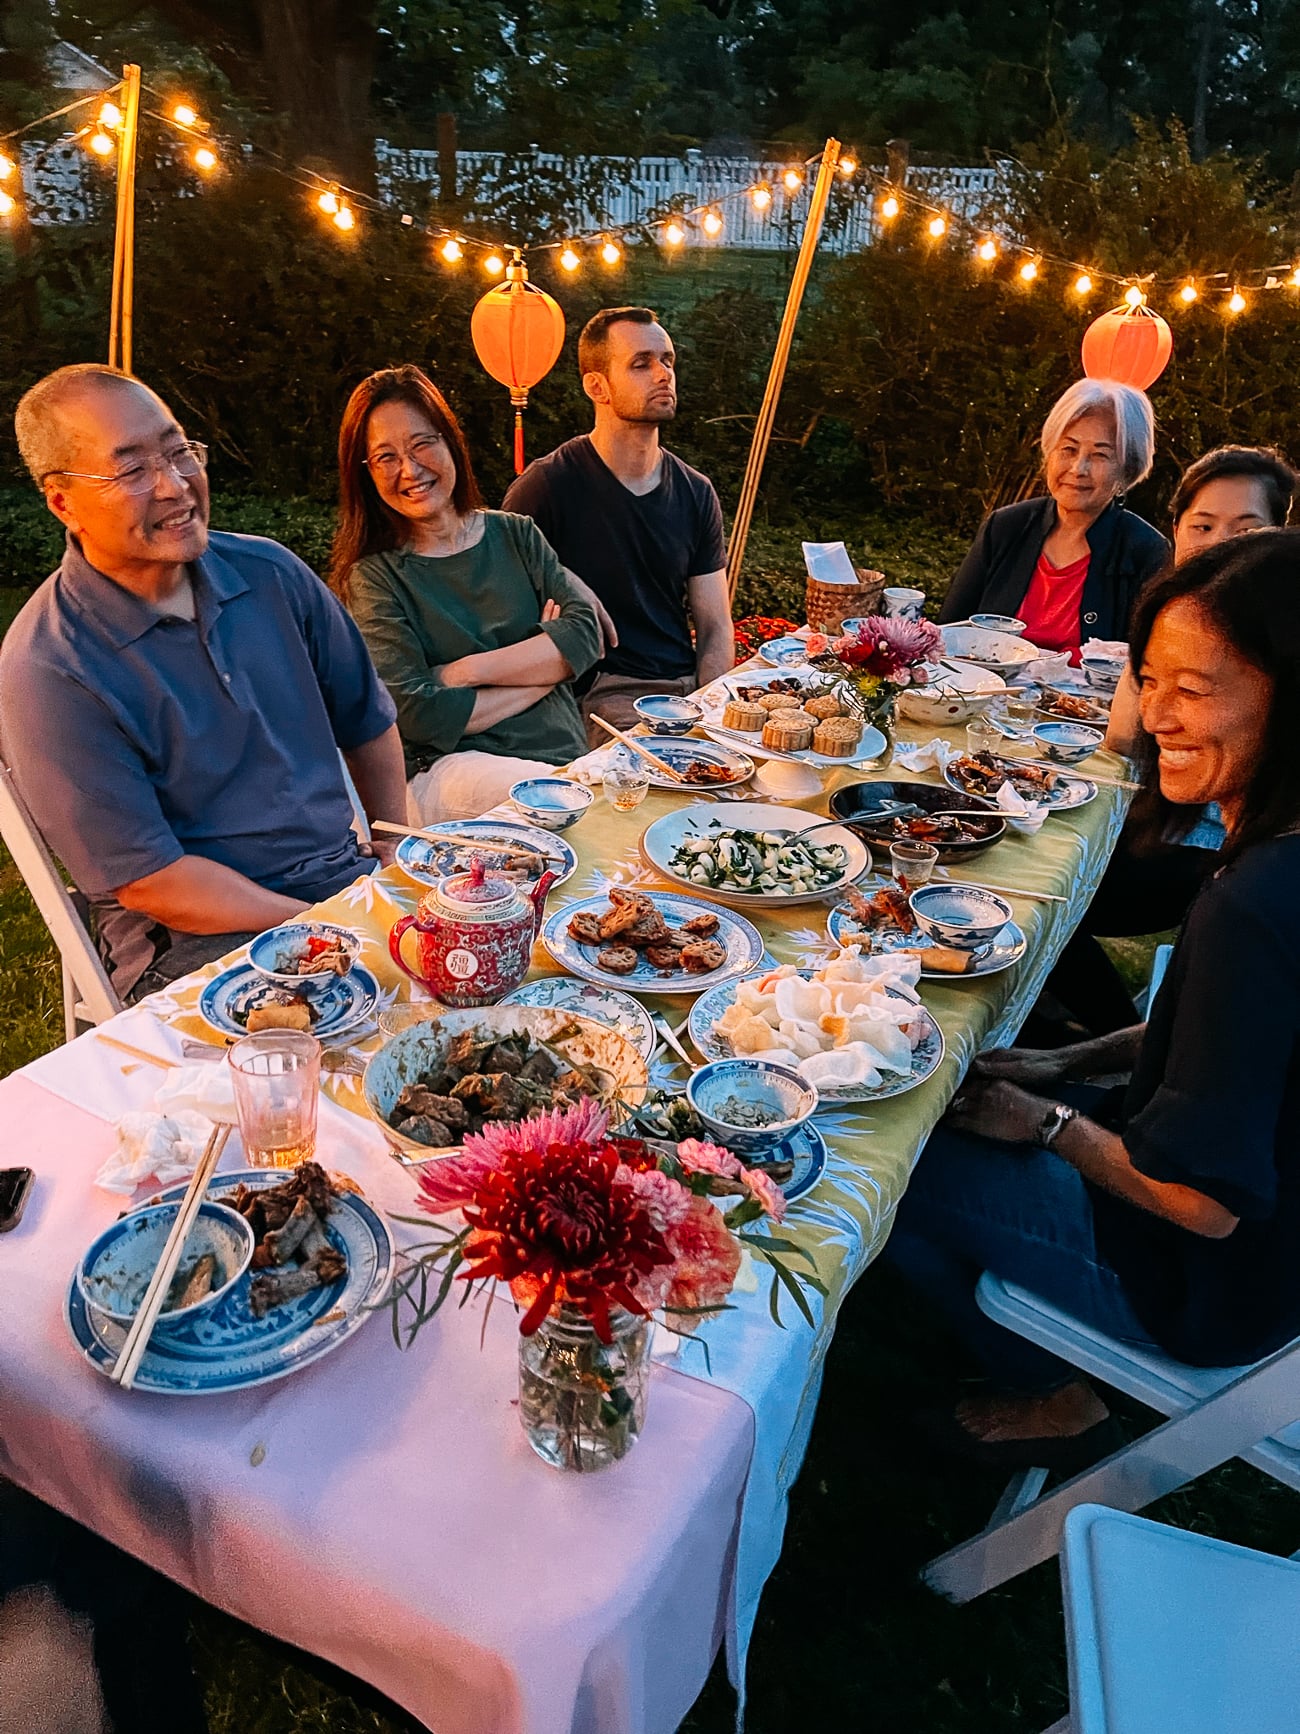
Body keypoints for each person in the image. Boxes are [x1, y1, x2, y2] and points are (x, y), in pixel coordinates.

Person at [888, 529, 1300, 1468]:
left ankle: (1052, 1392)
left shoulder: (1257, 907)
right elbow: (1231, 1046)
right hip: (1268, 1256)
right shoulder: (1278, 863)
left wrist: (1043, 1122)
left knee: (892, 1166)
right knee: (951, 1111)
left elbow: (1205, 1205)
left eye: (1193, 690)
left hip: (1204, 1285)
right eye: (1149, 680)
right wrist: (1064, 1061)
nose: (1157, 715)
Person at [1, 365, 406, 1003]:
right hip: (199, 943)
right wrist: (319, 927)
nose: (176, 485)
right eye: (132, 470)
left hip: (343, 883)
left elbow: (367, 720)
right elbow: (151, 882)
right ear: (63, 503)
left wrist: (389, 848)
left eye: (179, 450)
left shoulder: (271, 574)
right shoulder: (50, 667)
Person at [1047, 444, 1299, 1036]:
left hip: (1208, 850)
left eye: (1246, 528)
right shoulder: (1173, 617)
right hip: (1156, 824)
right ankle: (1075, 1032)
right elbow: (1124, 743)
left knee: (1053, 897)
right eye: (1203, 526)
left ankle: (1102, 1029)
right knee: (1039, 868)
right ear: (1176, 530)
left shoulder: (1275, 648)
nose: (1220, 544)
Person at [330, 367, 601, 822]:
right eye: (385, 457)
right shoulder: (375, 577)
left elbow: (585, 634)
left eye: (421, 443)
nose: (410, 469)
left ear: (449, 440)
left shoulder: (515, 534)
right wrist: (548, 663)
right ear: (366, 474)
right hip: (452, 771)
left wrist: (462, 671)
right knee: (580, 811)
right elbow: (416, 710)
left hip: (564, 760)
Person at [502, 306, 734, 743]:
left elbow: (716, 626)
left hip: (683, 694)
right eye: (641, 363)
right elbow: (500, 597)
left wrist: (711, 711)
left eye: (667, 360)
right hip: (600, 696)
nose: (663, 374)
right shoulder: (547, 486)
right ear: (597, 386)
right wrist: (565, 581)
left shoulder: (695, 492)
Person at [939, 378, 1168, 657]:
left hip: (1086, 701)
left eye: (1099, 455)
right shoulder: (1005, 527)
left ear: (1127, 471)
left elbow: (1148, 665)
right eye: (1068, 449)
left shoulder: (1146, 551)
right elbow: (946, 633)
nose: (1078, 468)